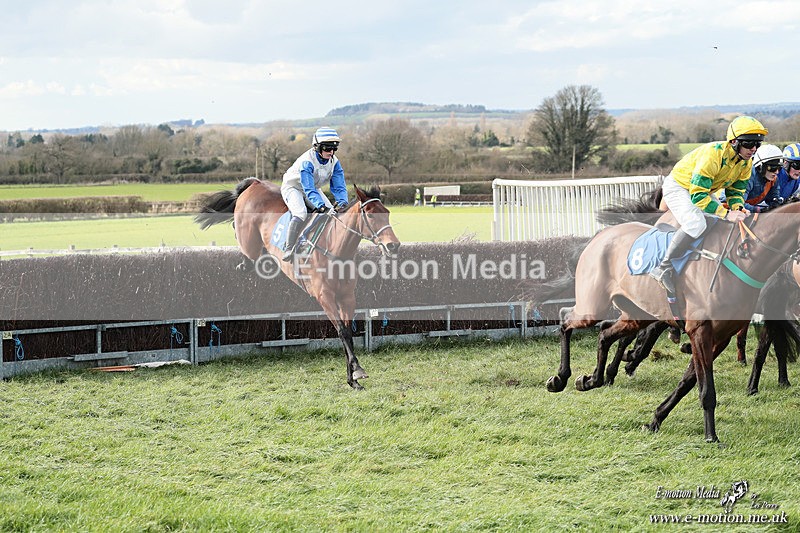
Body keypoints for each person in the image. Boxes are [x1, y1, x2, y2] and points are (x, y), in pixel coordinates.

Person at [649, 116, 767, 294]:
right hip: (679, 187)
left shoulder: (745, 162)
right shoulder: (713, 155)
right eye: (749, 143)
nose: (754, 149)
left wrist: (737, 208)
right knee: (696, 224)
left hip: (704, 189)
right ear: (734, 142)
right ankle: (663, 267)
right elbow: (698, 196)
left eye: (757, 144)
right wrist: (726, 213)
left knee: (718, 221)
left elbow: (735, 191)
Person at [280, 127, 349, 261]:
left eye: (334, 149)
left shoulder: (335, 162)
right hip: (294, 187)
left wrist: (343, 202)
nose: (331, 152)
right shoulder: (307, 161)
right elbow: (308, 189)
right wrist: (321, 206)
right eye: (327, 148)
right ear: (317, 147)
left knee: (332, 214)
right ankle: (289, 248)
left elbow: (339, 186)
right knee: (301, 213)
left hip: (313, 188)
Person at [742, 144, 784, 213]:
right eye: (772, 168)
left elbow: (773, 199)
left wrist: (779, 203)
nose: (776, 172)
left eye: (779, 168)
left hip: (749, 209)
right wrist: (757, 210)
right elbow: (738, 203)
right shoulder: (748, 176)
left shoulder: (773, 179)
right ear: (760, 166)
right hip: (728, 207)